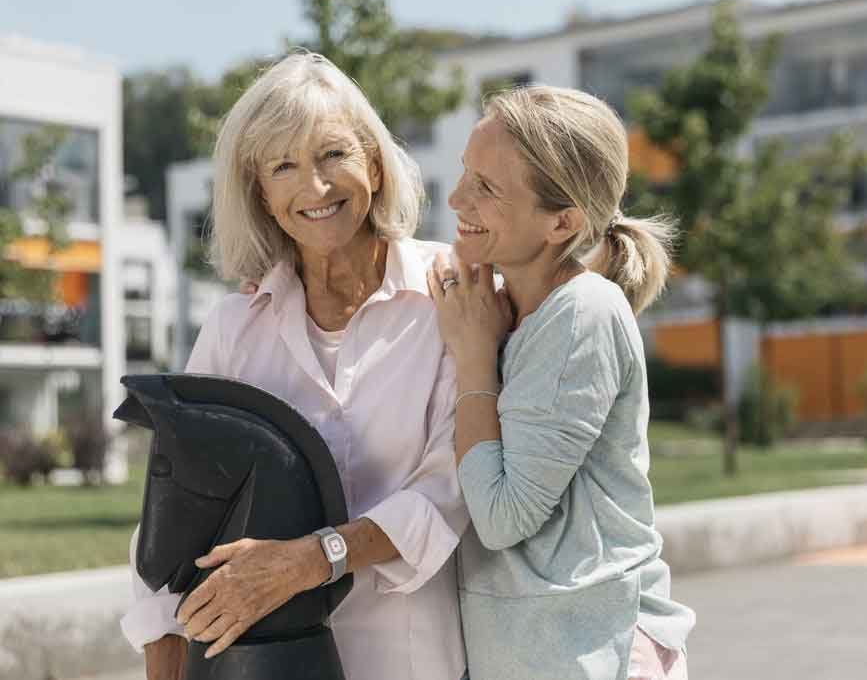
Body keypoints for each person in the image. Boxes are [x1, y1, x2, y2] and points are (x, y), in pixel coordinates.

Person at [120, 52, 469, 680]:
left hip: (410, 660)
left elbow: (450, 492)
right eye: (284, 166)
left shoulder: (450, 293)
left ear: (374, 160)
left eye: (333, 154)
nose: (316, 188)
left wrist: (309, 561)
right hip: (258, 665)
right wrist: (162, 660)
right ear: (261, 193)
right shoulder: (234, 327)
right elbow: (174, 513)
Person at [428, 85, 695, 680]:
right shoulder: (502, 313)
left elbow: (501, 517)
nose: (455, 198)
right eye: (466, 174)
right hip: (540, 653)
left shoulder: (582, 313)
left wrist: (475, 359)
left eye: (487, 188)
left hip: (599, 650)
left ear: (563, 222)